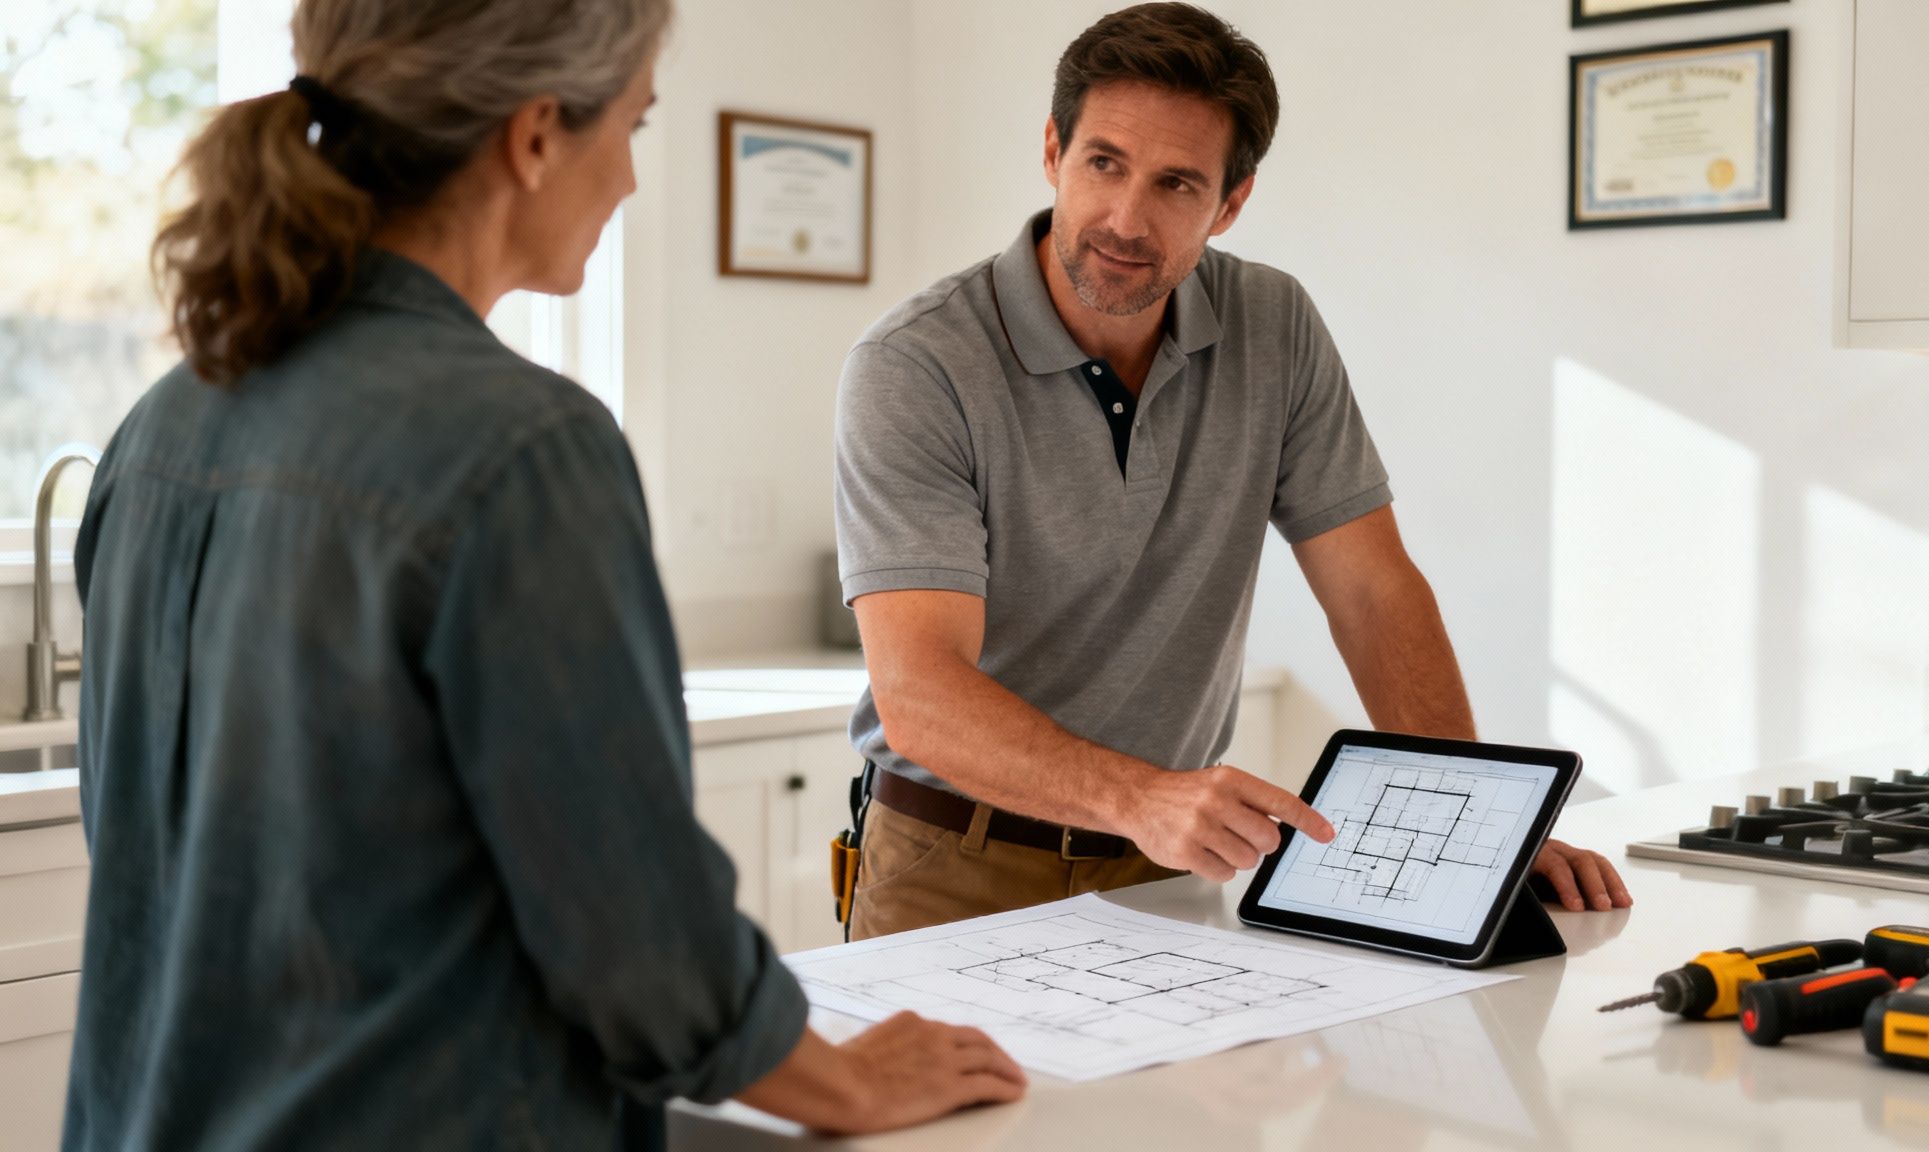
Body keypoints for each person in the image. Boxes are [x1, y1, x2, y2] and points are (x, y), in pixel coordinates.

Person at [66, 2, 1022, 1147]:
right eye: (632, 124)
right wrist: (845, 1084)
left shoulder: (166, 423)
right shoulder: (521, 447)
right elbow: (632, 922)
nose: (626, 179)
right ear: (531, 138)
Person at [834, 2, 1631, 942]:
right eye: (1104, 164)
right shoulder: (917, 365)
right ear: (1053, 151)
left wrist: (1480, 823)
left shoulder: (1273, 325)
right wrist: (1145, 799)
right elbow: (921, 694)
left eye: (1177, 183)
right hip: (955, 860)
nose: (1127, 220)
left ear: (1231, 200)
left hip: (1163, 868)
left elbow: (1374, 593)